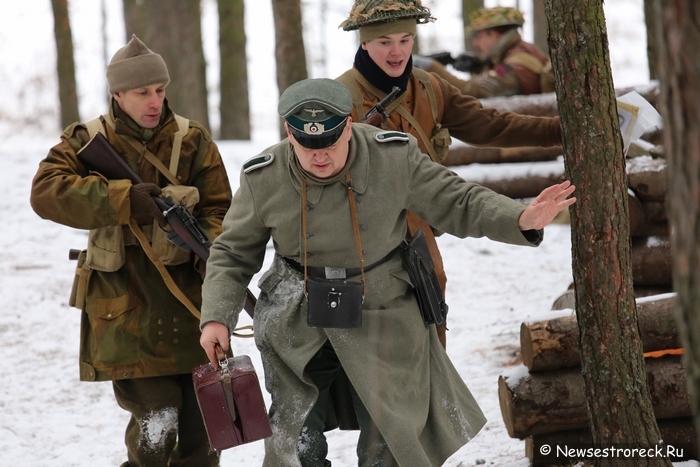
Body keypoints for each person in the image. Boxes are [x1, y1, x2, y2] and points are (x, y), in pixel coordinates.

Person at [198, 78, 576, 467]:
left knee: (391, 440)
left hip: (382, 308)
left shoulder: (392, 158)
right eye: (307, 146)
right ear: (289, 135)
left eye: (329, 143)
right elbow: (231, 253)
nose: (320, 156)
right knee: (294, 441)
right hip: (297, 315)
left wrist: (520, 217)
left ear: (348, 125)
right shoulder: (265, 176)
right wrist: (216, 318)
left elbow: (458, 200)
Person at [30, 35, 232, 467]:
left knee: (203, 440)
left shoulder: (193, 141)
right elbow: (45, 191)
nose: (155, 100)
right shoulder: (86, 140)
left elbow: (222, 211)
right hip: (124, 312)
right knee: (155, 428)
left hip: (189, 307)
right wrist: (122, 200)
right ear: (117, 94)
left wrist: (200, 238)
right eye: (142, 92)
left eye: (160, 90)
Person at [336, 0, 561, 348]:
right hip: (356, 222)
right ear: (364, 42)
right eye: (384, 42)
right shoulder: (338, 98)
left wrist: (558, 132)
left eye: (405, 40)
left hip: (417, 216)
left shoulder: (429, 86)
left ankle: (434, 387)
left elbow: (488, 126)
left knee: (430, 296)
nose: (397, 52)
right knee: (372, 319)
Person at [413, 6, 555, 98]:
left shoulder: (515, 66)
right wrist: (478, 67)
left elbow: (470, 92)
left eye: (479, 36)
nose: (475, 43)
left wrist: (431, 67)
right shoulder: (524, 50)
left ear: (494, 35)